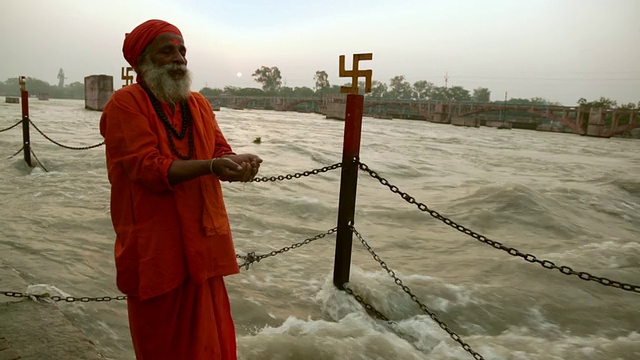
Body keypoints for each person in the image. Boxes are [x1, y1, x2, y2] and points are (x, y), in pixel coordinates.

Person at [99, 19, 261, 360]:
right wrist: (212, 167)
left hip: (203, 245)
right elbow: (146, 168)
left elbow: (219, 152)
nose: (179, 59)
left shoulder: (198, 105)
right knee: (162, 346)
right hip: (156, 250)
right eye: (167, 51)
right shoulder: (125, 104)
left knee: (211, 345)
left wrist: (235, 165)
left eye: (182, 51)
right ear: (144, 61)